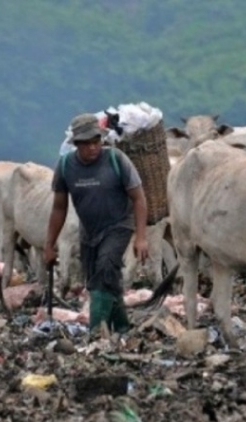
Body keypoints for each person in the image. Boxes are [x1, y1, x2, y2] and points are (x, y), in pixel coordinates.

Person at [45, 113, 149, 335]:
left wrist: (141, 237)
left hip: (119, 225)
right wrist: (49, 245)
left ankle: (95, 333)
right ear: (77, 144)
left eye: (96, 142)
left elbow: (139, 199)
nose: (93, 148)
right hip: (89, 231)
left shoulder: (116, 160)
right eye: (87, 144)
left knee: (104, 270)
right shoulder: (65, 166)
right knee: (99, 281)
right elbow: (59, 208)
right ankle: (121, 328)